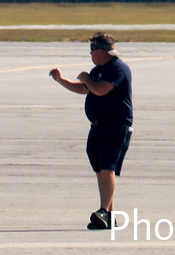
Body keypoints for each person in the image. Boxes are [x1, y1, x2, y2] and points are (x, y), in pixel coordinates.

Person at [50, 33, 133, 230]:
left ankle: (104, 210)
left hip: (114, 125)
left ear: (102, 51)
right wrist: (61, 80)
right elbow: (84, 89)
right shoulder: (99, 70)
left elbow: (100, 90)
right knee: (101, 169)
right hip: (98, 125)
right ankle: (109, 215)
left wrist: (86, 77)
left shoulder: (117, 69)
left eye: (92, 50)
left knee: (107, 168)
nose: (90, 54)